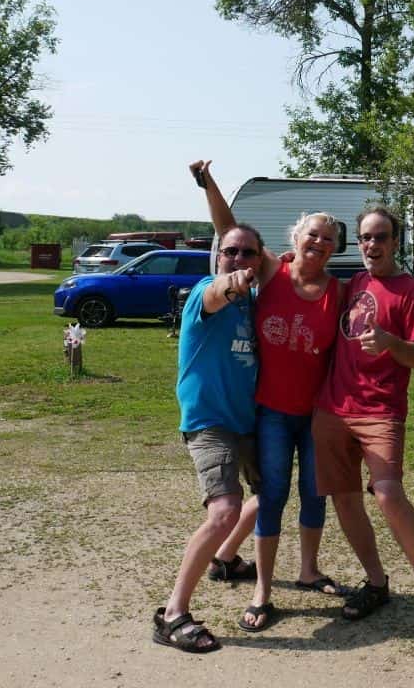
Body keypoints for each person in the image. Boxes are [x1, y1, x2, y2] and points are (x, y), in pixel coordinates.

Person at [190, 161, 345, 635]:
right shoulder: (273, 273)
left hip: (315, 412)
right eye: (311, 235)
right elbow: (229, 233)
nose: (318, 243)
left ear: (336, 248)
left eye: (327, 238)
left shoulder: (339, 290)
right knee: (272, 495)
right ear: (295, 239)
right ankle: (262, 590)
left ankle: (309, 570)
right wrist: (209, 185)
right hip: (273, 412)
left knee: (315, 494)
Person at [313, 205, 414, 658]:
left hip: (380, 411)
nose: (372, 246)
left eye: (381, 238)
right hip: (334, 408)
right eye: (366, 238)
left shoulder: (413, 291)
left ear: (396, 241)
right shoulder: (353, 283)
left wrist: (392, 344)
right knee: (344, 498)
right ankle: (376, 582)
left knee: (388, 492)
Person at [153, 223, 263, 653]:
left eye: (247, 253)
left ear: (259, 258)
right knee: (224, 510)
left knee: (270, 493)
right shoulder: (205, 292)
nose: (238, 259)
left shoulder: (254, 302)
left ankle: (225, 559)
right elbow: (218, 295)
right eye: (230, 252)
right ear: (218, 256)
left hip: (246, 421)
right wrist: (230, 284)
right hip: (209, 421)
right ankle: (173, 614)